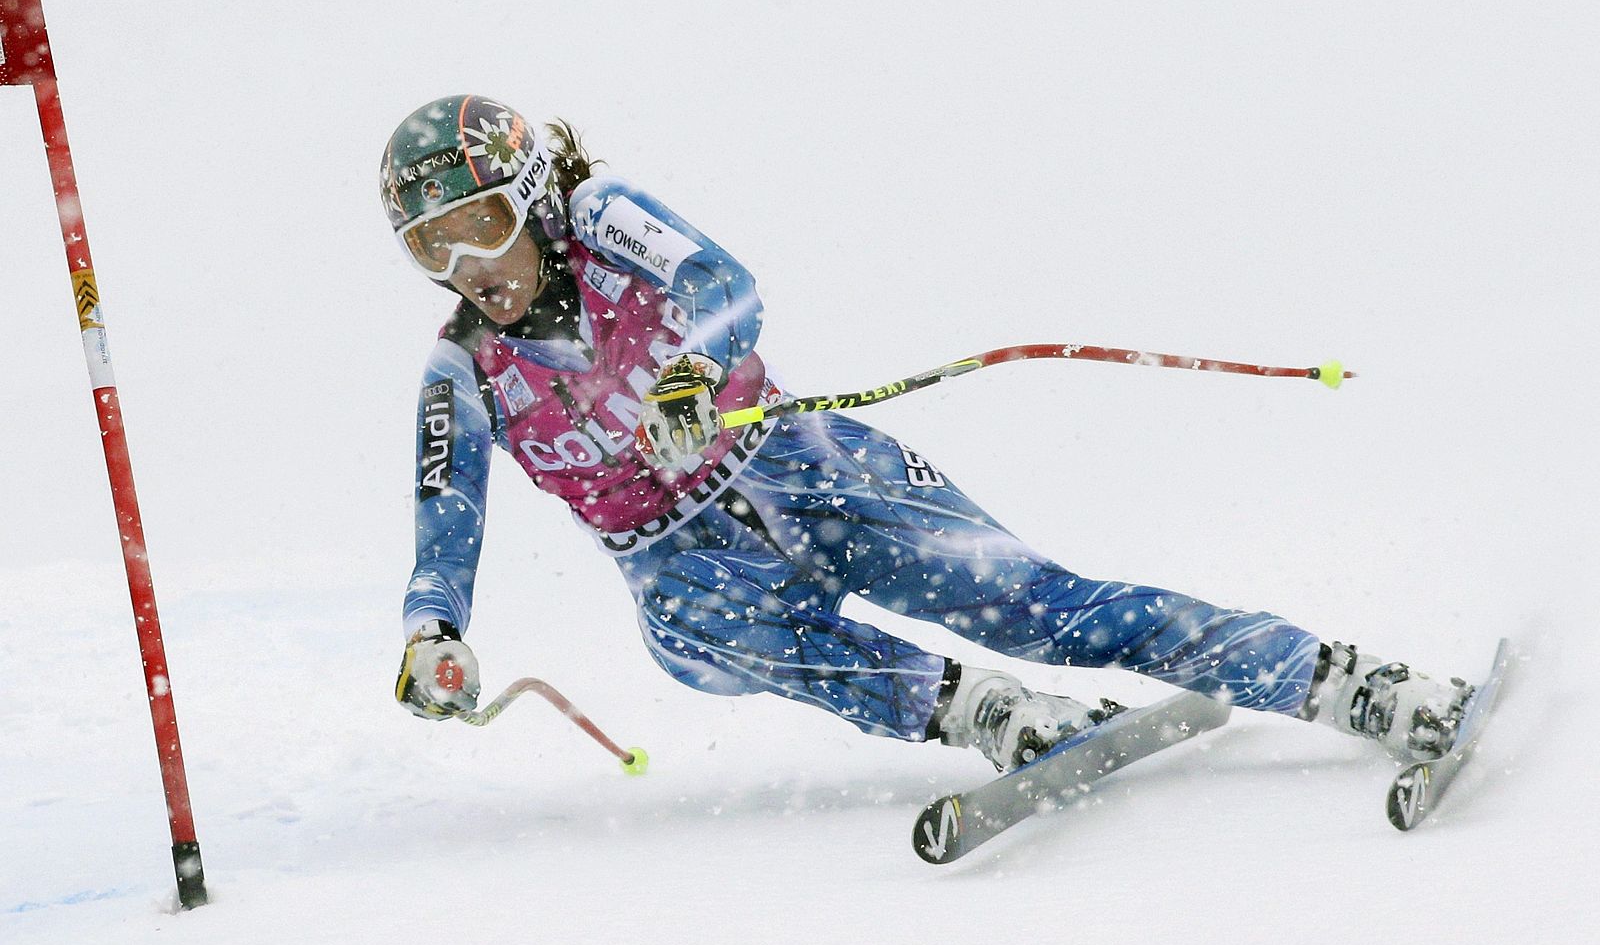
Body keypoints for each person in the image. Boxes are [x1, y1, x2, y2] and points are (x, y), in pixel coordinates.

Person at [383, 94, 1472, 772]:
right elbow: (446, 517)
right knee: (683, 625)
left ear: (530, 195)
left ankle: (1338, 678)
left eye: (481, 225)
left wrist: (694, 375)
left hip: (801, 469)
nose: (470, 265)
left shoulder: (600, 215)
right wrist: (434, 632)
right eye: (435, 248)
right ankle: (986, 715)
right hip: (688, 566)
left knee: (1044, 608)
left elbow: (725, 283)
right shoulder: (464, 367)